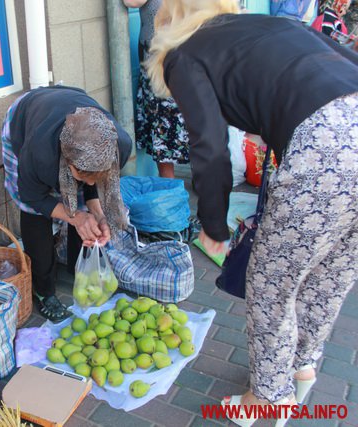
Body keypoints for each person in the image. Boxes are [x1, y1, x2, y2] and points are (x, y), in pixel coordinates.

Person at [147, 0, 358, 425]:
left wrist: (212, 224)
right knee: (332, 268)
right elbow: (344, 60)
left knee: (269, 281)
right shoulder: (268, 25)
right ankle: (302, 365)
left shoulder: (185, 54)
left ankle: (265, 396)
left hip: (326, 146)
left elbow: (207, 145)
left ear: (167, 24)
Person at [1, 86, 131, 322]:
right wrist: (76, 217)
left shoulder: (119, 144)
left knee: (81, 198)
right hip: (25, 116)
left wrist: (98, 214)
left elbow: (92, 179)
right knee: (36, 214)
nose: (89, 181)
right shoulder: (40, 155)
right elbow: (32, 198)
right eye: (81, 174)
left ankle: (76, 267)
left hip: (77, 121)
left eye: (96, 175)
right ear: (67, 161)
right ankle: (44, 290)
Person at [123, 0, 190, 179]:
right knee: (164, 128)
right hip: (159, 65)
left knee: (186, 123)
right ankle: (171, 187)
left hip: (180, 62)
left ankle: (192, 182)